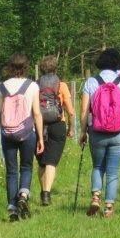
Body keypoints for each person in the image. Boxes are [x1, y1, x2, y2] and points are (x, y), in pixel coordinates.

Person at [79, 48, 120, 219]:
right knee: (113, 171)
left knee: (97, 166)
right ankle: (109, 207)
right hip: (118, 133)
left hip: (97, 132)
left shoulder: (91, 82)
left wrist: (83, 132)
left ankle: (96, 197)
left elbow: (84, 111)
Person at [0, 53, 44, 222]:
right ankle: (23, 195)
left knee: (11, 171)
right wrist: (40, 138)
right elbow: (37, 114)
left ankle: (12, 209)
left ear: (10, 67)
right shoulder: (32, 86)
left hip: (8, 132)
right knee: (26, 167)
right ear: (26, 67)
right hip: (27, 132)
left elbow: (0, 113)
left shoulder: (3, 86)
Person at [36, 55, 76, 206]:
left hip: (39, 126)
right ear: (55, 68)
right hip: (58, 125)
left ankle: (43, 191)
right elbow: (71, 111)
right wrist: (71, 129)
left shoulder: (35, 85)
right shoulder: (61, 85)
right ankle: (46, 193)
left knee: (41, 162)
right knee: (51, 162)